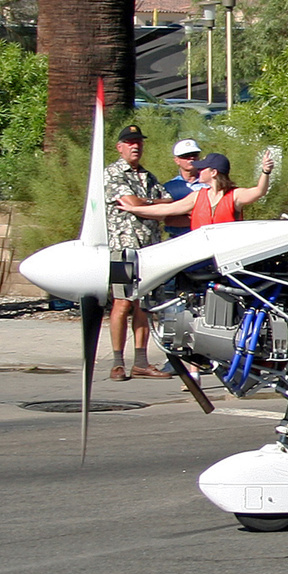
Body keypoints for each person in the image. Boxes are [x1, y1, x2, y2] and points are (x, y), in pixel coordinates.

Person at [103, 124, 174, 381]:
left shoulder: (149, 177)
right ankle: (117, 362)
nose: (135, 146)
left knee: (144, 304)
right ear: (119, 147)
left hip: (149, 250)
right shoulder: (113, 173)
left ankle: (141, 362)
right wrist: (146, 204)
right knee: (122, 303)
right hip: (123, 249)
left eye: (139, 142)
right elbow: (130, 204)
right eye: (130, 142)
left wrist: (146, 203)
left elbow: (168, 203)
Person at [128, 152, 274, 229]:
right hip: (201, 256)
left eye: (203, 168)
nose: (198, 170)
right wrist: (134, 209)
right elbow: (166, 210)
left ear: (213, 173)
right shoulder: (197, 196)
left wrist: (265, 172)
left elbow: (259, 191)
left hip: (226, 258)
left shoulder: (234, 195)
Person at [162, 139, 204, 238]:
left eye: (195, 154)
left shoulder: (211, 182)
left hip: (206, 238)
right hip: (177, 238)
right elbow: (169, 220)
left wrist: (183, 212)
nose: (191, 159)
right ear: (177, 160)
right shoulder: (169, 187)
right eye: (186, 156)